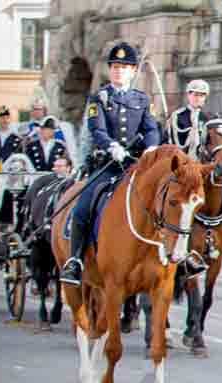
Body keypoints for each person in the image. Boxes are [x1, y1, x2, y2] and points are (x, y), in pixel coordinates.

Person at [59, 42, 162, 286]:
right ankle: (75, 260)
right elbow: (97, 130)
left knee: (166, 202)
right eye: (115, 66)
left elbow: (151, 129)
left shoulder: (143, 99)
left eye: (124, 67)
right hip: (107, 165)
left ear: (133, 70)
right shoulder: (100, 98)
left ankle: (171, 255)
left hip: (136, 166)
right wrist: (112, 147)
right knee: (83, 207)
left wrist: (150, 148)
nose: (118, 71)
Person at [168, 79, 212, 160]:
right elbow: (172, 141)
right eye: (195, 95)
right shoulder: (178, 116)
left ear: (205, 98)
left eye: (201, 96)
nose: (198, 98)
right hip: (180, 160)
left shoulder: (207, 119)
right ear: (189, 95)